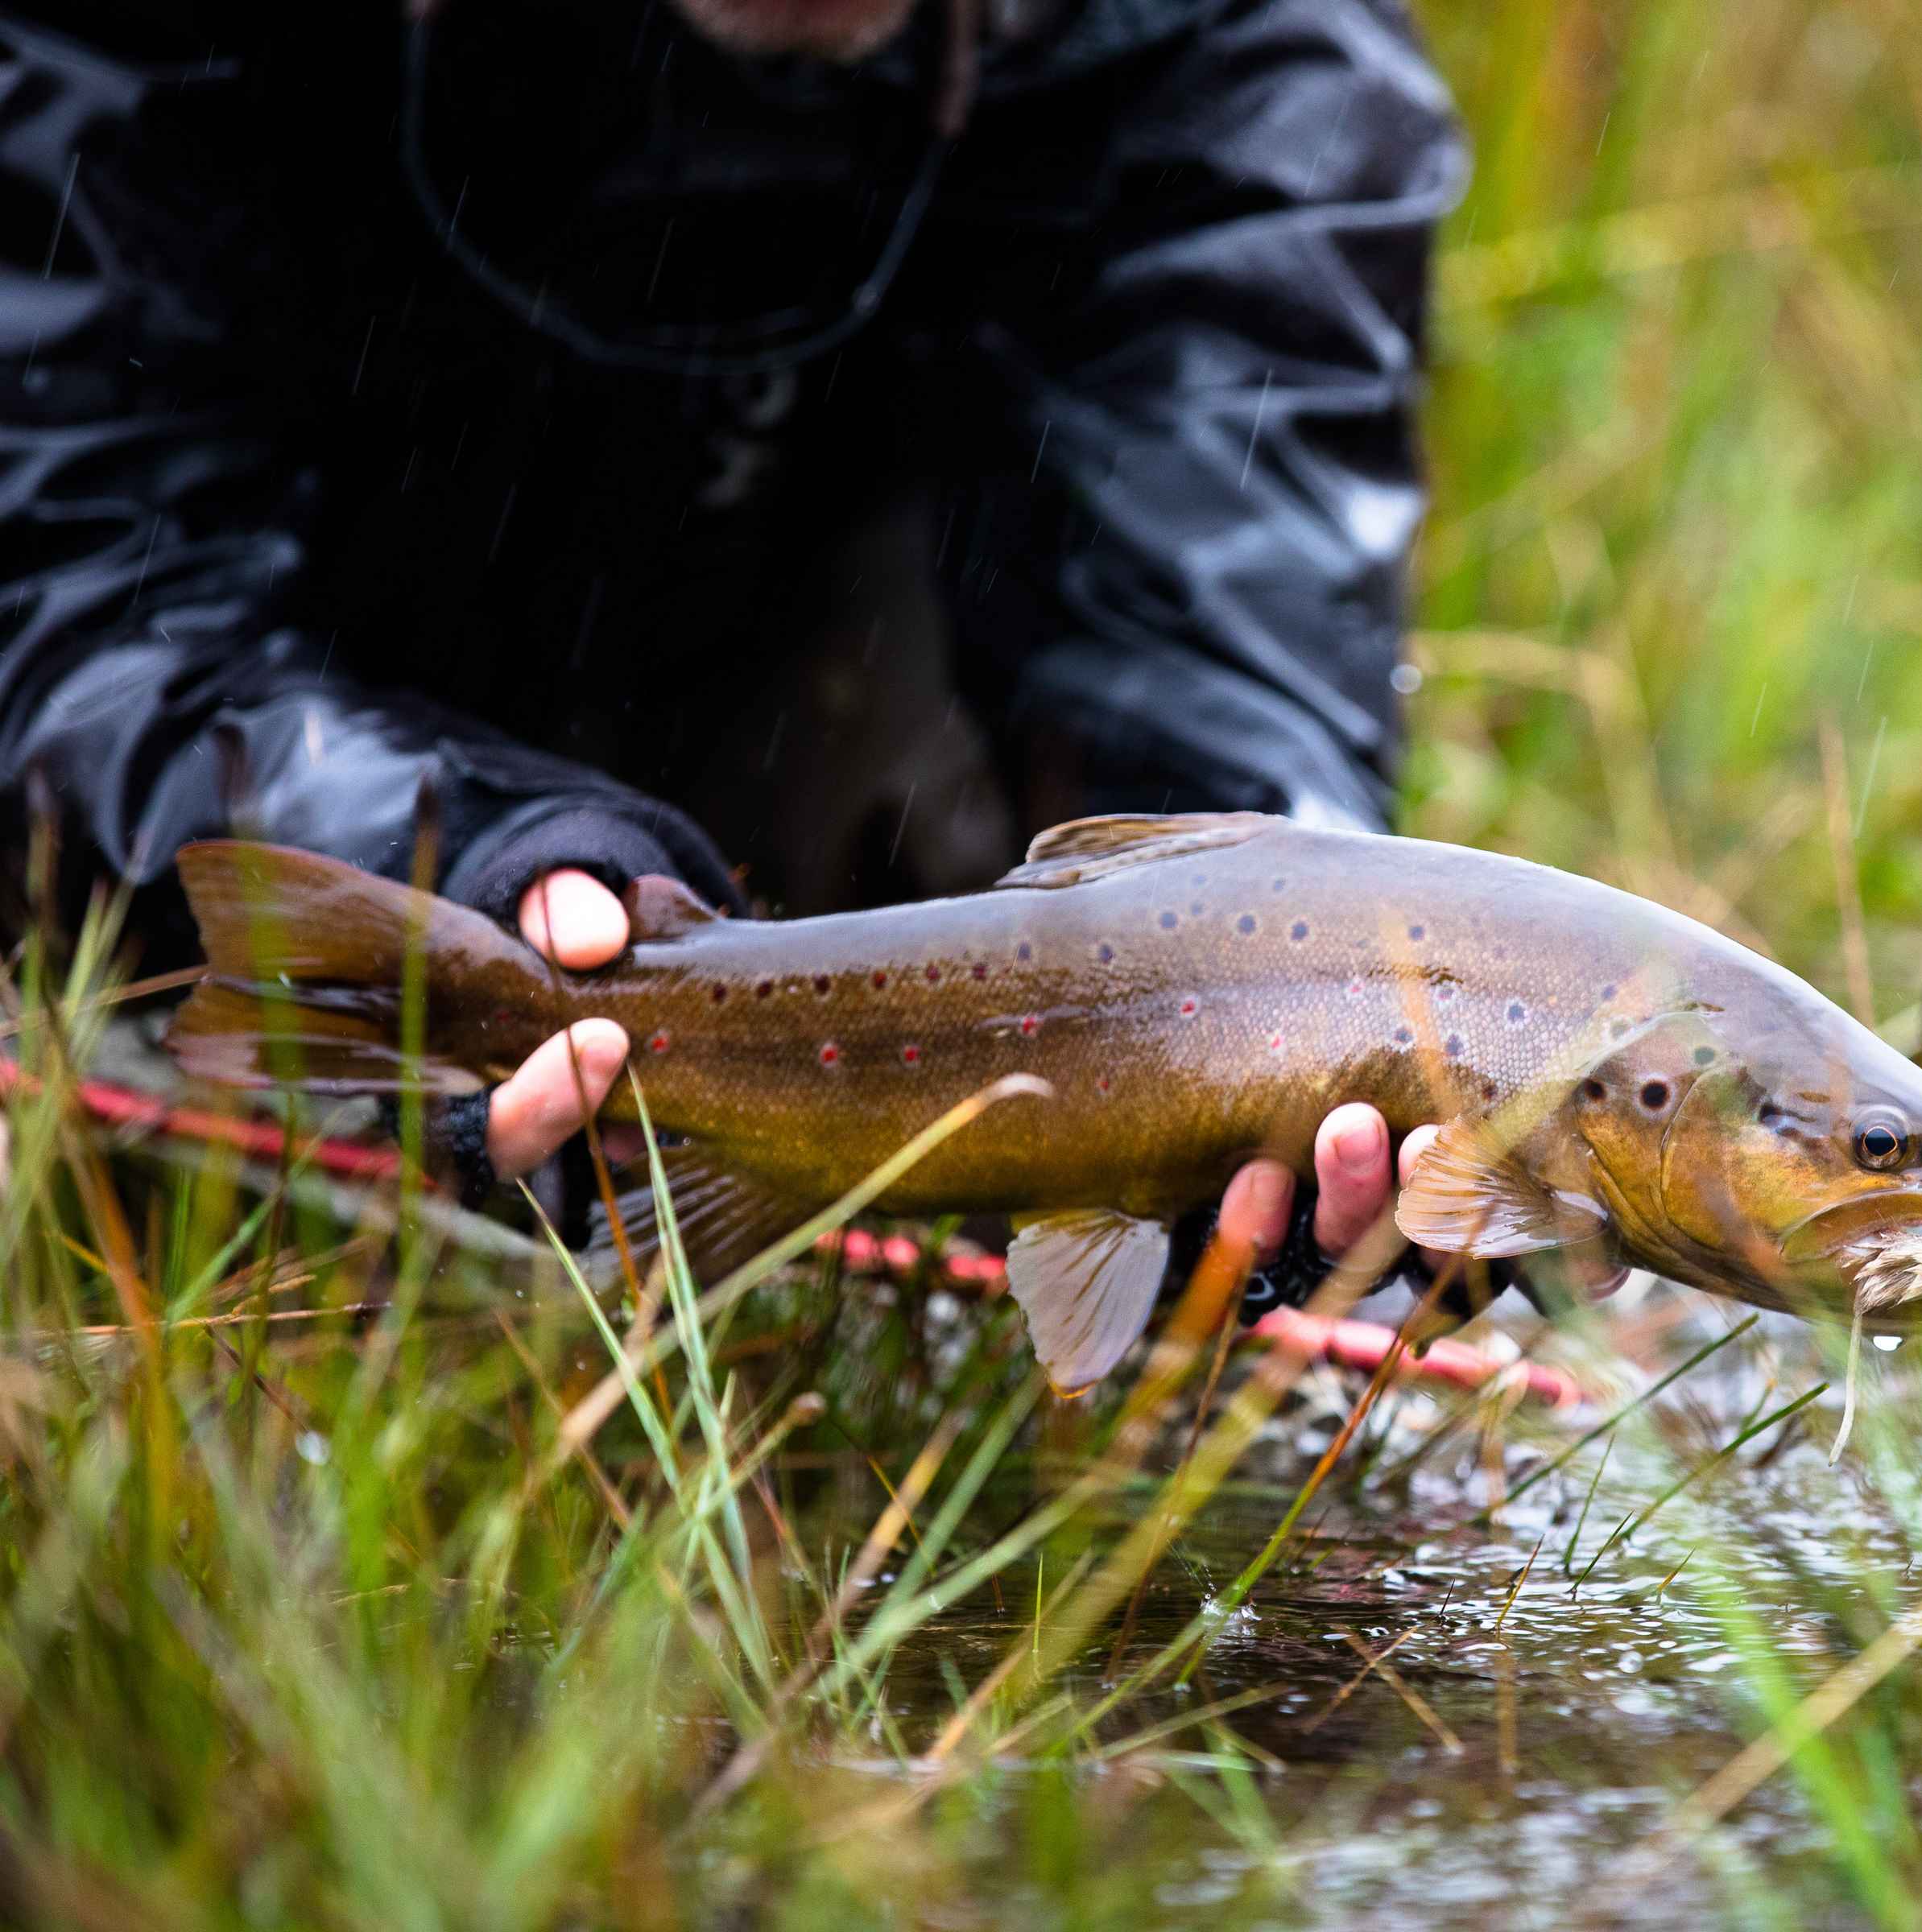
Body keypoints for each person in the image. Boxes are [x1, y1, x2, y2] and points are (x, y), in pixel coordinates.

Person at [0, 0, 1464, 1285]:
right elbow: (66, 603)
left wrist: (1326, 1074)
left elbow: (1239, 711)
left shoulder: (1245, 53)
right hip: (286, 751)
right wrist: (443, 860)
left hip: (863, 878)